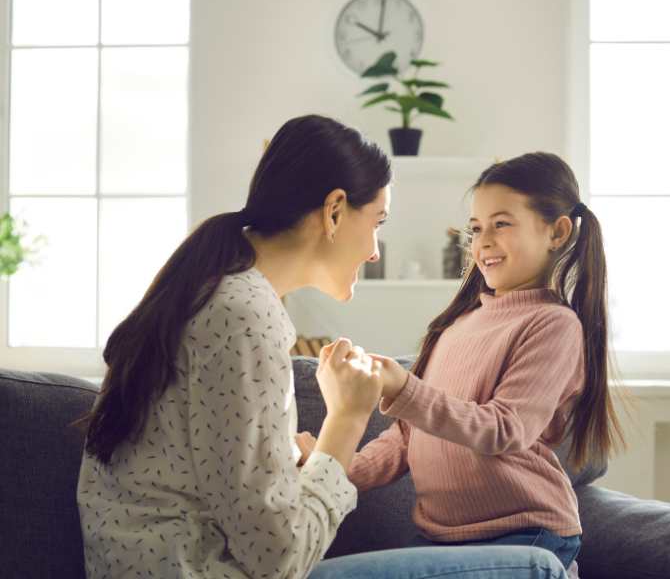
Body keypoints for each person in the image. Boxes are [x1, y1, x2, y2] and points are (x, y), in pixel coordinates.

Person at [75, 115, 570, 579]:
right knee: (539, 570)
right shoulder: (245, 315)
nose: (375, 250)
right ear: (334, 211)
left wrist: (316, 457)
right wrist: (345, 420)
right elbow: (279, 557)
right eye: (377, 222)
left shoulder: (219, 294)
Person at [300, 152, 627, 572]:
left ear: (557, 232)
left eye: (502, 224)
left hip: (524, 533)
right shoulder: (457, 326)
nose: (483, 241)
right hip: (439, 537)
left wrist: (405, 389)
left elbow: (505, 429)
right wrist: (332, 464)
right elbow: (406, 438)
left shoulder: (554, 324)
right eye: (475, 228)